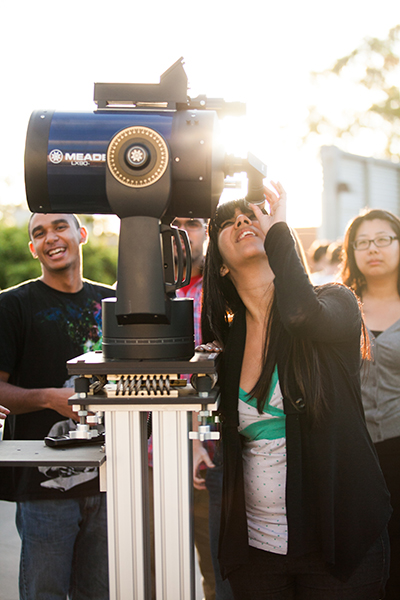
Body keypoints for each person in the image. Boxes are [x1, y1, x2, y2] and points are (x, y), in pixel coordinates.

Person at [200, 183, 391, 599]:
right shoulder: (226, 346)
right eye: (228, 220)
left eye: (252, 214)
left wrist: (280, 227)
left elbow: (301, 314)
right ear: (219, 266)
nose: (242, 220)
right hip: (257, 551)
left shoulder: (336, 303)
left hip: (340, 547)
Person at [0, 213, 114, 600]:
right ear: (33, 249)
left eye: (60, 227)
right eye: (39, 233)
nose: (50, 237)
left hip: (110, 482)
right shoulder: (12, 306)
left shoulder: (112, 304)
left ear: (81, 234)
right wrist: (51, 398)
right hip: (42, 487)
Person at [172, 216, 234, 600]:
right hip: (148, 460)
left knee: (218, 575)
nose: (181, 232)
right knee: (150, 572)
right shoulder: (136, 291)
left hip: (210, 458)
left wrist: (196, 436)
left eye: (191, 223)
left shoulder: (226, 292)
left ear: (208, 230)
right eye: (172, 222)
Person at [340, 207, 400, 600]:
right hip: (354, 451)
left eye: (383, 239)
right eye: (363, 242)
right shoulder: (340, 306)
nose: (372, 249)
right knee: (363, 557)